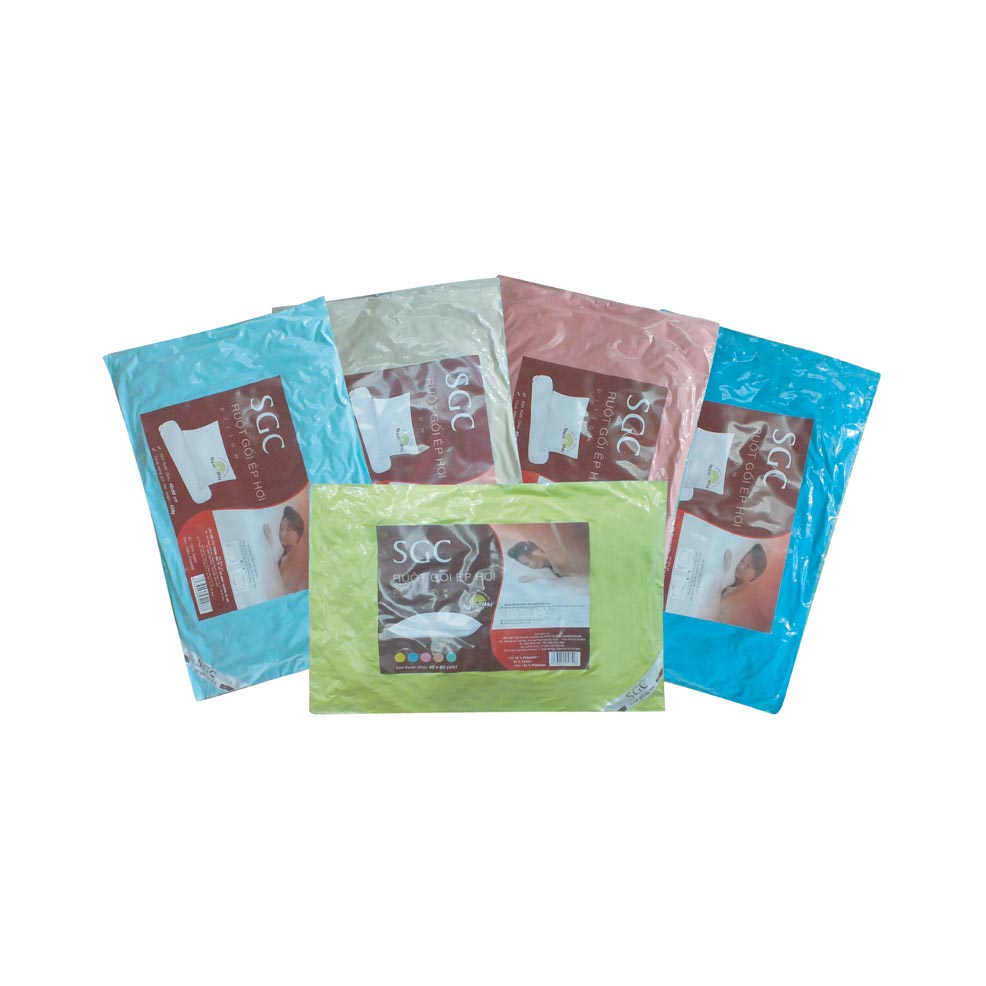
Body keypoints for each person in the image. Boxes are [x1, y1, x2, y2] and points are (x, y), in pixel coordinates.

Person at [264, 505, 305, 570]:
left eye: (288, 530)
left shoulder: (297, 562)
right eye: (281, 528)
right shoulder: (280, 553)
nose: (282, 533)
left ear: (298, 535)